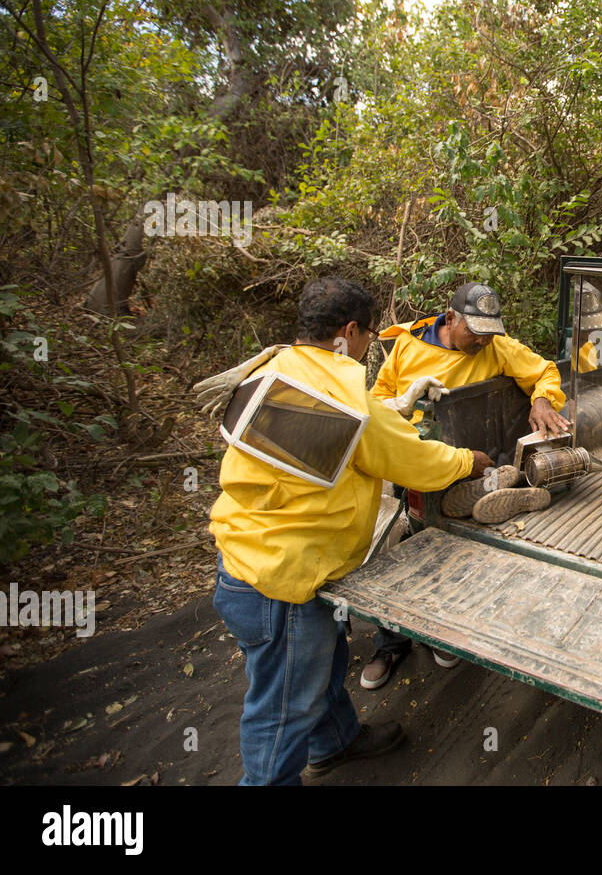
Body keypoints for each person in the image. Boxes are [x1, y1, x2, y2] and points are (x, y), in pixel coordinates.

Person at [205, 276, 493, 785]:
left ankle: (335, 742)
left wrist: (397, 406)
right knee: (281, 709)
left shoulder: (279, 365)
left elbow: (335, 429)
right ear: (350, 331)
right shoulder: (344, 390)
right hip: (281, 582)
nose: (367, 346)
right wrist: (468, 461)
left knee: (322, 663)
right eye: (367, 335)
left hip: (247, 562)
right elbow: (412, 461)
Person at [360, 281, 570, 688]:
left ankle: (442, 635)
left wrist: (543, 399)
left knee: (450, 549)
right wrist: (402, 408)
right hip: (411, 461)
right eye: (474, 332)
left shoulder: (495, 347)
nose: (482, 341)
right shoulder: (407, 346)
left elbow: (543, 369)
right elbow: (379, 397)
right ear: (450, 318)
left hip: (467, 462)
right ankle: (390, 642)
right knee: (399, 550)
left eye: (489, 333)